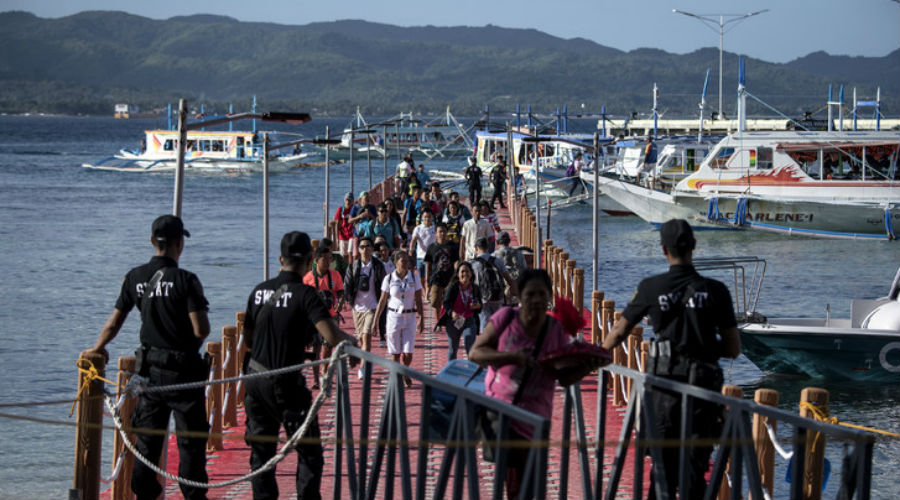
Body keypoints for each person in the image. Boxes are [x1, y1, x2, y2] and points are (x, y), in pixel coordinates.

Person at [601, 219, 741, 500]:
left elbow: (618, 333)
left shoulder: (651, 287)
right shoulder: (717, 291)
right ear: (694, 246)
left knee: (661, 470)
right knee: (695, 468)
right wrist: (702, 346)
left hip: (663, 392)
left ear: (663, 249)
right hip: (703, 392)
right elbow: (733, 349)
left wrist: (594, 358)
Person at [86, 215, 210, 500]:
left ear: (152, 242)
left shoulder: (135, 277)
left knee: (147, 443)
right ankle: (193, 496)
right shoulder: (186, 280)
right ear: (180, 244)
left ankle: (145, 494)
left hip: (150, 374)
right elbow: (201, 329)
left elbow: (114, 323)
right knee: (190, 444)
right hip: (184, 375)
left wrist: (97, 348)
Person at [243, 231, 357, 500]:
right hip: (286, 382)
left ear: (280, 258)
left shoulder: (258, 292)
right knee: (309, 452)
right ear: (309, 260)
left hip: (255, 380)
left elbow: (247, 340)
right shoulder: (306, 294)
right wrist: (352, 342)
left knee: (261, 454)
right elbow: (330, 336)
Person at [469, 269, 593, 500]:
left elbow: (563, 377)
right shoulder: (506, 318)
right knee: (517, 488)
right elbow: (476, 353)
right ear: (520, 295)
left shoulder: (554, 330)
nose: (536, 300)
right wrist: (512, 357)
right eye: (530, 294)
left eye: (541, 294)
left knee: (534, 487)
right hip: (506, 415)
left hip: (538, 420)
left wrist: (587, 366)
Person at [373, 251, 425, 386]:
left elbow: (418, 299)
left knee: (408, 353)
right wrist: (375, 321)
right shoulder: (389, 279)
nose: (406, 264)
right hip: (394, 317)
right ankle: (399, 374)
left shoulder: (414, 277)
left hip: (410, 317)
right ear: (395, 263)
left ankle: (405, 370)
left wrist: (422, 318)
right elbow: (382, 301)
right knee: (395, 353)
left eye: (407, 261)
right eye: (403, 261)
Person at [343, 236, 386, 379]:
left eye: (368, 246)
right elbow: (347, 285)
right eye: (362, 246)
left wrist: (383, 302)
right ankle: (368, 360)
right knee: (361, 340)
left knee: (367, 337)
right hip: (357, 308)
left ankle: (363, 367)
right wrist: (349, 301)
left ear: (372, 249)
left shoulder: (378, 266)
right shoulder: (353, 266)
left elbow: (384, 285)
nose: (365, 249)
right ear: (358, 249)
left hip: (372, 306)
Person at [303, 246, 345, 389]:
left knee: (328, 347)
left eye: (330, 259)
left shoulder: (335, 275)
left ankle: (325, 372)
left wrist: (340, 302)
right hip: (313, 319)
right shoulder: (308, 278)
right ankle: (316, 379)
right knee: (316, 348)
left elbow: (340, 291)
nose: (328, 262)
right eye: (324, 259)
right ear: (316, 260)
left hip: (331, 317)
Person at [471, 237, 517, 332]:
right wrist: (515, 291)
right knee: (498, 321)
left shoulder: (473, 263)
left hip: (482, 297)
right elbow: (508, 278)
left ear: (476, 248)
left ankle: (486, 341)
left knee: (484, 321)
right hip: (498, 295)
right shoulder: (497, 261)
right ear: (488, 248)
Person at [437, 261, 482, 360]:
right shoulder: (453, 287)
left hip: (469, 320)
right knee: (453, 349)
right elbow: (446, 303)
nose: (465, 274)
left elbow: (480, 305)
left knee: (470, 349)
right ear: (458, 274)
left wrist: (478, 306)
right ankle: (451, 372)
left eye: (467, 271)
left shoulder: (475, 288)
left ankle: (471, 372)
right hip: (454, 321)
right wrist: (452, 312)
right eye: (462, 272)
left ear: (471, 273)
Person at [423, 223, 459, 321]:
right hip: (436, 279)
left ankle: (449, 319)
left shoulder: (452, 246)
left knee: (450, 301)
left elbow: (456, 261)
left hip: (450, 278)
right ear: (435, 233)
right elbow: (428, 264)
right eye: (440, 231)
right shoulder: (432, 247)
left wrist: (456, 274)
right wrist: (427, 280)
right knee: (435, 301)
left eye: (444, 231)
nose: (442, 234)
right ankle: (437, 320)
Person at [493, 231, 527, 305]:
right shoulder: (519, 253)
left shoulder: (493, 256)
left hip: (500, 293)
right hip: (516, 290)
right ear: (509, 241)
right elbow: (525, 271)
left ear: (497, 242)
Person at [410, 210, 436, 287]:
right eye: (425, 217)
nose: (427, 219)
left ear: (432, 218)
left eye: (429, 217)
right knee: (420, 277)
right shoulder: (418, 228)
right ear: (422, 218)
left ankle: (427, 294)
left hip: (431, 258)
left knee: (428, 278)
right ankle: (424, 292)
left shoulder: (435, 228)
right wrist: (411, 249)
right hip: (420, 257)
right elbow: (414, 240)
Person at [349, 191, 377, 257]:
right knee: (355, 255)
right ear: (360, 199)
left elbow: (377, 220)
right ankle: (354, 266)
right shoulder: (356, 207)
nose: (367, 200)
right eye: (365, 198)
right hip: (357, 234)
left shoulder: (372, 207)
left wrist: (370, 215)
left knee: (368, 254)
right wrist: (360, 216)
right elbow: (349, 220)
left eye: (368, 198)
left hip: (369, 234)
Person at [334, 192, 356, 262]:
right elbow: (337, 224)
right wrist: (337, 239)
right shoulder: (340, 209)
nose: (348, 202)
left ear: (353, 201)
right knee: (343, 254)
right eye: (347, 200)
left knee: (350, 252)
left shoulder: (354, 209)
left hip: (352, 234)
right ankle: (344, 269)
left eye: (350, 200)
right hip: (343, 235)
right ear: (344, 200)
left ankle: (350, 269)